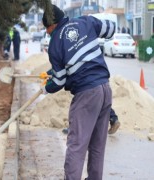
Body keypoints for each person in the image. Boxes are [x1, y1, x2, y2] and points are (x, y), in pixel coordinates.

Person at [41, 5, 115, 179]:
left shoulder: (55, 44)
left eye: (47, 28)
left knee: (77, 145)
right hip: (105, 90)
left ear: (53, 24)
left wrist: (46, 88)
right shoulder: (84, 21)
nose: (47, 32)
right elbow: (111, 29)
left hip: (86, 95)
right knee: (97, 146)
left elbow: (59, 81)